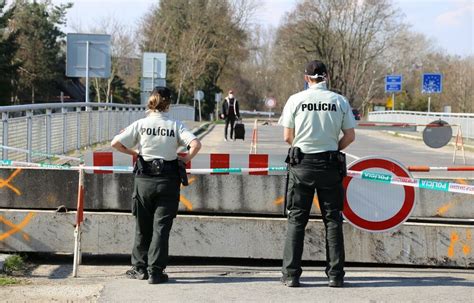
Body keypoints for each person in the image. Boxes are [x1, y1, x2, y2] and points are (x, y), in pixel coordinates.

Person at [111, 87, 201, 284]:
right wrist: (185, 159)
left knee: (142, 225)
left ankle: (139, 268)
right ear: (168, 104)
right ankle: (156, 272)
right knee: (161, 228)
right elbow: (196, 144)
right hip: (168, 181)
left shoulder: (141, 124)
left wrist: (134, 153)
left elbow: (115, 143)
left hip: (144, 180)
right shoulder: (175, 124)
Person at [278, 60, 356, 288]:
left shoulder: (296, 100)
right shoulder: (339, 101)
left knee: (296, 220)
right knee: (333, 221)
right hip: (329, 164)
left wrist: (304, 147)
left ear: (306, 78)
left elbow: (286, 136)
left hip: (301, 164)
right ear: (327, 77)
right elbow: (350, 136)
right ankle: (335, 275)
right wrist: (332, 148)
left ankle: (291, 275)